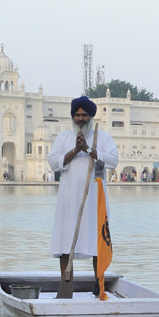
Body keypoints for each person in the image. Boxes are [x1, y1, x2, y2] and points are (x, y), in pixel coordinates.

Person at [48, 96, 119, 290]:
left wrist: (88, 150)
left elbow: (113, 161)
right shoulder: (63, 137)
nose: (80, 119)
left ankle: (99, 283)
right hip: (69, 201)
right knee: (65, 240)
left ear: (91, 117)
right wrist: (75, 150)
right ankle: (67, 283)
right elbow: (53, 162)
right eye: (77, 115)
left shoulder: (102, 138)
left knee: (97, 242)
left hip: (94, 199)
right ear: (73, 117)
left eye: (84, 115)